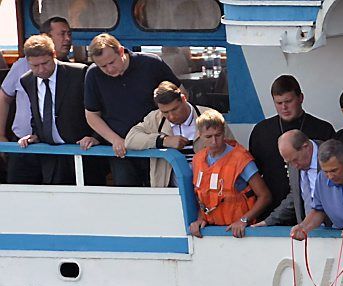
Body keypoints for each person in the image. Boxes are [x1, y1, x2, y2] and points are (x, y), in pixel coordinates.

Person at [84, 33, 181, 187]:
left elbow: (180, 95)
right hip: (122, 150)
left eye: (112, 62)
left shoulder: (151, 63)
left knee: (163, 192)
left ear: (121, 51)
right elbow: (91, 115)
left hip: (157, 144)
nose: (109, 69)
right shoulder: (93, 74)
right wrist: (115, 139)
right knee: (127, 196)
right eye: (103, 66)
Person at [248, 75, 335, 218]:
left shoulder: (323, 129)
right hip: (272, 210)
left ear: (300, 98)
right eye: (279, 103)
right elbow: (254, 174)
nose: (284, 107)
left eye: (288, 101)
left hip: (315, 212)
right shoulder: (261, 131)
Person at [15, 34, 97, 185]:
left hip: (83, 152)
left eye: (45, 63)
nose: (41, 70)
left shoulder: (79, 73)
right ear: (28, 62)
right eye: (34, 66)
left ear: (53, 55)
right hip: (51, 156)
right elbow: (37, 113)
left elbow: (98, 109)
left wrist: (94, 137)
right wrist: (35, 135)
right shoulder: (26, 80)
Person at [1, 16, 74, 183]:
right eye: (62, 34)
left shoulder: (74, 72)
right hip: (22, 143)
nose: (67, 39)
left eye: (69, 34)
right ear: (45, 37)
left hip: (57, 146)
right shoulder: (21, 67)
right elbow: (4, 97)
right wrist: (1, 135)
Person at [125, 81, 228, 187]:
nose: (171, 116)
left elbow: (231, 150)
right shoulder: (155, 118)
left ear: (184, 99)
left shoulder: (209, 115)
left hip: (210, 189)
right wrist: (163, 140)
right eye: (165, 112)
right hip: (170, 193)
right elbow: (130, 139)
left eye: (175, 109)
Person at [188, 111, 271, 238]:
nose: (214, 141)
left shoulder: (241, 159)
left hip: (240, 232)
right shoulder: (197, 159)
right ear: (199, 135)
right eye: (208, 137)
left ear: (224, 132)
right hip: (211, 231)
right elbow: (201, 197)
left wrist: (244, 220)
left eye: (218, 135)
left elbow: (265, 196)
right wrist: (200, 219)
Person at [260, 129, 321, 226]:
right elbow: (295, 195)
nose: (294, 166)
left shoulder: (331, 155)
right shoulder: (293, 161)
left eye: (295, 160)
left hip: (336, 231)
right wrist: (268, 222)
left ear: (306, 147)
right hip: (307, 230)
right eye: (288, 162)